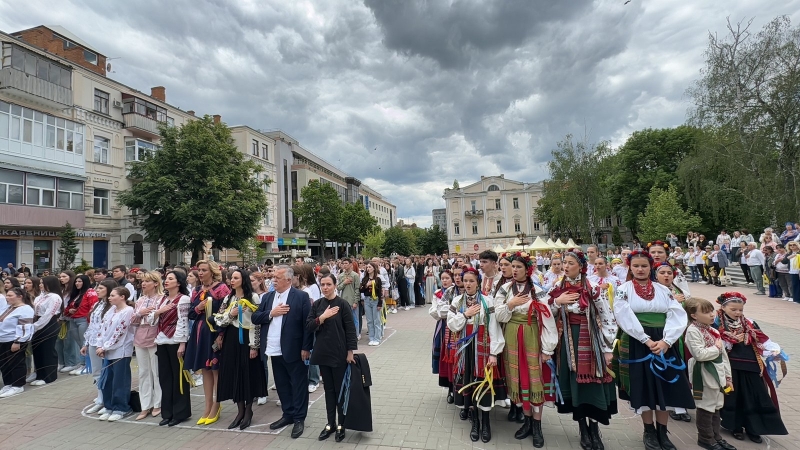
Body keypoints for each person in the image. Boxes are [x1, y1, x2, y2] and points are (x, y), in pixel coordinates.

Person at [612, 250, 694, 450]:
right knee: (645, 387)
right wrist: (646, 340)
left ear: (651, 268)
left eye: (644, 266)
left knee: (665, 385)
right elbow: (623, 315)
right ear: (630, 268)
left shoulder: (663, 290)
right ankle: (648, 430)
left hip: (664, 340)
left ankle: (663, 432)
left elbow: (676, 313)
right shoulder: (623, 289)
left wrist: (666, 341)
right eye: (636, 266)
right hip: (637, 340)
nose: (640, 269)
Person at [548, 249, 617, 450]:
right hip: (567, 341)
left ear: (581, 266)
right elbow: (547, 312)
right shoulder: (557, 286)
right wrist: (556, 302)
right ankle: (582, 428)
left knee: (592, 384)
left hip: (590, 340)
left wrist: (607, 347)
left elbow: (607, 316)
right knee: (574, 383)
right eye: (564, 263)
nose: (566, 266)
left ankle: (594, 429)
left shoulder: (593, 287)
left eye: (570, 263)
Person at [494, 253, 558, 448]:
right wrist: (510, 305)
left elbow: (547, 319)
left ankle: (537, 426)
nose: (514, 270)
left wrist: (548, 348)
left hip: (532, 336)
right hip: (512, 337)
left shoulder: (537, 291)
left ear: (528, 269)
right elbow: (499, 316)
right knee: (519, 377)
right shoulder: (505, 289)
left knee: (534, 379)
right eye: (512, 266)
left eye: (518, 267)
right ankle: (527, 422)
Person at [714, 292, 787, 443]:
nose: (737, 313)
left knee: (755, 395)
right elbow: (715, 343)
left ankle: (754, 428)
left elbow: (762, 339)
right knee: (734, 396)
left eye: (740, 310)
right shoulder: (717, 323)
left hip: (751, 364)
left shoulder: (749, 323)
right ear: (723, 307)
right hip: (731, 365)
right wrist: (731, 340)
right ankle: (736, 427)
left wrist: (773, 350)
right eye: (733, 309)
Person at [252, 265, 313, 439]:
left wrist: (306, 347)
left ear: (288, 279)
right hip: (273, 349)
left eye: (277, 278)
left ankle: (299, 418)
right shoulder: (268, 297)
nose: (273, 280)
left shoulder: (301, 297)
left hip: (294, 349)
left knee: (298, 385)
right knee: (282, 385)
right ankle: (288, 414)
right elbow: (256, 317)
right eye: (273, 278)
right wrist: (271, 313)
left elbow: (307, 325)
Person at [447, 268, 505, 443]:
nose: (467, 284)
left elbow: (494, 327)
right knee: (469, 381)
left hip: (483, 347)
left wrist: (494, 353)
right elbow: (452, 324)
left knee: (484, 383)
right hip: (465, 348)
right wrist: (466, 314)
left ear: (478, 282)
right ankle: (475, 421)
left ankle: (486, 422)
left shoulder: (488, 301)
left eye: (471, 281)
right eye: (465, 281)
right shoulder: (457, 301)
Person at [307, 273, 358, 442]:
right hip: (323, 353)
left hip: (339, 354)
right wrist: (322, 318)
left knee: (340, 391)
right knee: (328, 391)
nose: (325, 287)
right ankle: (330, 423)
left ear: (335, 285)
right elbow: (309, 326)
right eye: (323, 284)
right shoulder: (318, 305)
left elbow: (350, 329)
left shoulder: (342, 304)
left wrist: (350, 352)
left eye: (329, 284)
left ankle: (342, 424)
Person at [214, 269, 265, 430]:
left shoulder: (253, 297)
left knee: (247, 373)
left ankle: (248, 411)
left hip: (246, 340)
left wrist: (254, 346)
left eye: (236, 278)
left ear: (243, 280)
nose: (232, 280)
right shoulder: (229, 298)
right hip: (231, 339)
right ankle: (240, 410)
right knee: (234, 372)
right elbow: (219, 319)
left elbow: (256, 323)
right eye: (231, 278)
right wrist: (232, 314)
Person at [683, 298, 736, 450]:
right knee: (706, 406)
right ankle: (706, 438)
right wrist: (716, 348)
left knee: (717, 405)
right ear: (694, 315)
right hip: (704, 373)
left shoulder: (711, 330)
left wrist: (728, 377)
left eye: (712, 311)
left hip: (718, 373)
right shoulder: (693, 331)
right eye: (706, 312)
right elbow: (699, 354)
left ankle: (716, 437)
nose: (712, 315)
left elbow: (724, 357)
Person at [185, 260, 230, 426]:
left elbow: (226, 313)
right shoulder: (196, 290)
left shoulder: (221, 289)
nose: (201, 273)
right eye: (199, 270)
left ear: (212, 271)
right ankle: (207, 405)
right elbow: (190, 313)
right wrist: (199, 308)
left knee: (215, 369)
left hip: (214, 333)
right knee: (205, 370)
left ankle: (217, 405)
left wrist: (221, 334)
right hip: (199, 333)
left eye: (204, 270)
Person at [152, 271, 192, 426]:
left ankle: (180, 412)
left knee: (179, 379)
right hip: (161, 341)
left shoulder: (183, 299)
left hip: (176, 341)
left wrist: (182, 344)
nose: (166, 281)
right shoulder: (161, 299)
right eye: (166, 278)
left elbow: (183, 322)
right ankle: (167, 412)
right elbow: (151, 319)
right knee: (165, 378)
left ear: (178, 282)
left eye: (170, 279)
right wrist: (159, 312)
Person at [96, 287, 135, 422]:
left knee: (120, 381)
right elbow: (102, 328)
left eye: (113, 295)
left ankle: (121, 407)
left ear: (122, 297)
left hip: (121, 351)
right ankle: (109, 405)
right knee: (107, 380)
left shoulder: (128, 311)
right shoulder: (111, 310)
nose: (109, 298)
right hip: (107, 351)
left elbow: (120, 332)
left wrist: (106, 346)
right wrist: (100, 345)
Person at [80, 279, 118, 412]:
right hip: (93, 342)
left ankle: (107, 399)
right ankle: (100, 397)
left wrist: (103, 345)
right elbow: (92, 325)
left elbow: (109, 327)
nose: (97, 290)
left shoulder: (113, 307)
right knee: (96, 372)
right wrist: (86, 343)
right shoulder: (97, 304)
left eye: (101, 288)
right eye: (97, 288)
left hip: (104, 344)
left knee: (106, 372)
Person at [131, 271, 163, 420]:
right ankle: (145, 405)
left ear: (156, 283)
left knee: (156, 371)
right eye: (142, 281)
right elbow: (133, 321)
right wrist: (139, 313)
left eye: (147, 281)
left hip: (155, 337)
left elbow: (160, 318)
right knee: (143, 372)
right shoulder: (140, 300)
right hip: (140, 337)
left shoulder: (162, 299)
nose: (143, 284)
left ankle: (158, 403)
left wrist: (150, 314)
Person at [0, 287, 35, 398]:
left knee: (16, 362)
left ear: (20, 297)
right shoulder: (10, 307)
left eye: (10, 295)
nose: (7, 297)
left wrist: (18, 341)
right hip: (3, 339)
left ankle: (18, 385)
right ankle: (8, 383)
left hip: (14, 340)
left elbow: (25, 327)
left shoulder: (25, 309)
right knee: (5, 364)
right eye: (7, 295)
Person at [429, 270, 456, 404]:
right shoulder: (437, 293)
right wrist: (446, 312)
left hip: (456, 326)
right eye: (442, 278)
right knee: (445, 357)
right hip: (443, 327)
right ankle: (450, 388)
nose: (445, 281)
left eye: (447, 278)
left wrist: (445, 311)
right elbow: (435, 312)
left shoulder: (457, 292)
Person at [62, 275, 97, 376]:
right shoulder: (77, 293)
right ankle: (82, 363)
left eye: (80, 281)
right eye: (76, 281)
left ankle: (88, 364)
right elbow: (68, 307)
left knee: (84, 342)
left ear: (85, 282)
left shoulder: (90, 293)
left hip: (83, 320)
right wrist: (69, 310)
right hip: (73, 319)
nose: (77, 283)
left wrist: (91, 322)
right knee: (79, 343)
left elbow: (93, 307)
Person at [359, 262, 383, 346]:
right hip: (367, 300)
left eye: (370, 267)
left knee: (376, 319)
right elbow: (361, 290)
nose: (368, 269)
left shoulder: (377, 279)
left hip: (375, 299)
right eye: (367, 267)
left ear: (373, 268)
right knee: (369, 320)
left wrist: (380, 303)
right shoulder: (365, 279)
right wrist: (366, 285)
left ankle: (377, 338)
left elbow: (380, 292)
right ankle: (371, 337)